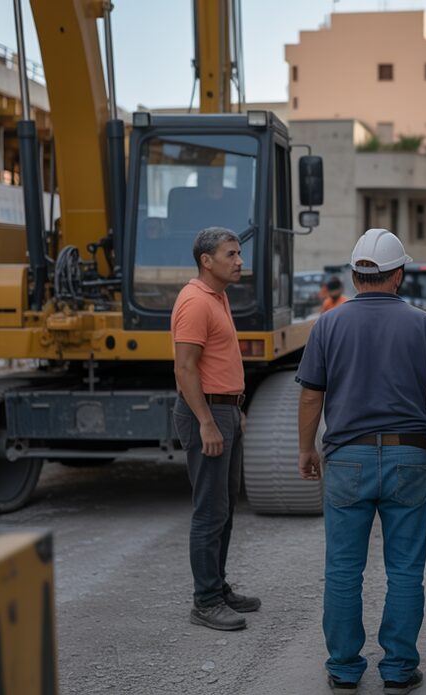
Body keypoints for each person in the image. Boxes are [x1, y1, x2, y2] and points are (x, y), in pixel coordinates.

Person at [296, 228, 426, 695]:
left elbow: (312, 398)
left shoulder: (328, 324)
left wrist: (307, 448)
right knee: (405, 568)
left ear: (353, 275)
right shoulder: (423, 324)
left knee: (344, 569)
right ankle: (398, 669)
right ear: (399, 275)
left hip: (348, 458)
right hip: (409, 455)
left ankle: (345, 669)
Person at [171, 227, 262, 632]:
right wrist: (208, 421)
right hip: (204, 412)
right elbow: (185, 368)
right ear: (206, 261)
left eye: (239, 253)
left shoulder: (218, 296)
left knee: (223, 510)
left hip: (224, 409)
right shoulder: (194, 302)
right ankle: (205, 601)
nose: (240, 261)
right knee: (209, 512)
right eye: (231, 254)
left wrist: (234, 408)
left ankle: (217, 587)